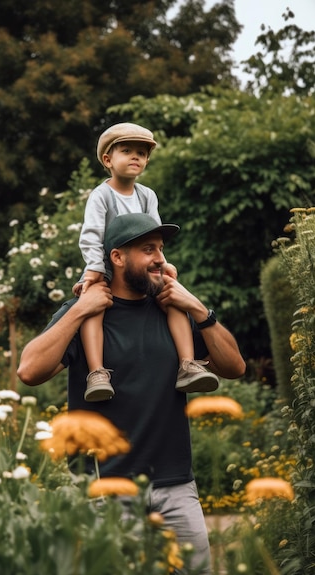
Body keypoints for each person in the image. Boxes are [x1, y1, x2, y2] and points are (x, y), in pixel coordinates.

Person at [17, 213, 246, 575]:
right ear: (117, 257)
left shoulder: (172, 310)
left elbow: (234, 367)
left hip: (176, 485)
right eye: (147, 249)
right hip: (107, 489)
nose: (159, 258)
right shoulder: (89, 313)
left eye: (160, 249)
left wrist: (200, 310)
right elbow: (29, 370)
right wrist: (78, 309)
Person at [73, 121, 219, 401]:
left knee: (171, 292)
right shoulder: (101, 195)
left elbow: (155, 236)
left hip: (141, 269)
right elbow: (91, 236)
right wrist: (94, 269)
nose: (135, 157)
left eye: (141, 153)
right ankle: (97, 372)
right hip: (105, 266)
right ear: (108, 159)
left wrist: (163, 263)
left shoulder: (147, 195)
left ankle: (187, 365)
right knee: (92, 303)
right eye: (126, 150)